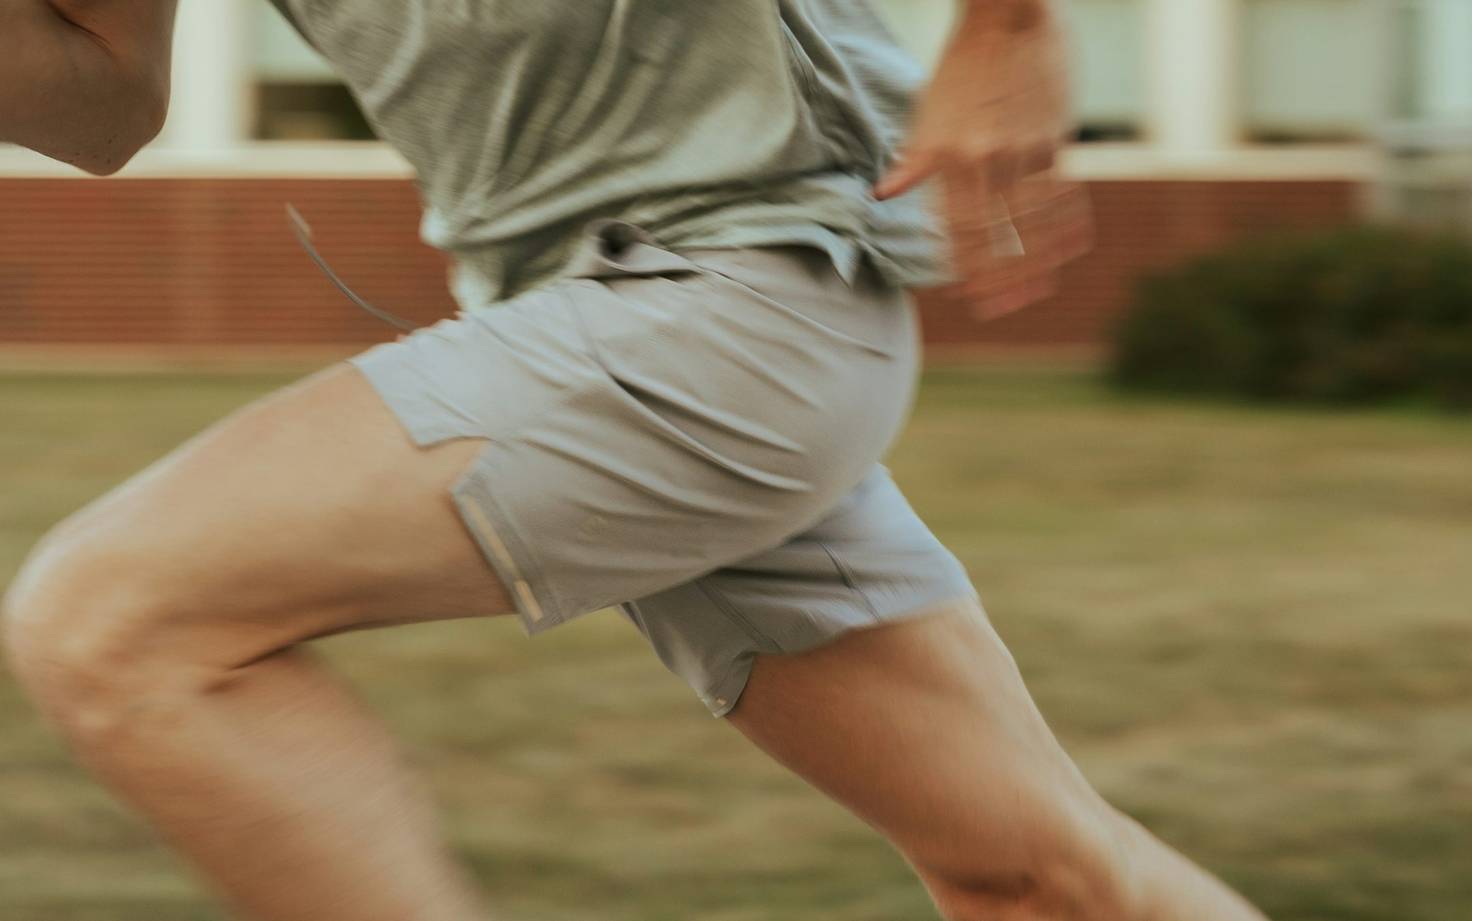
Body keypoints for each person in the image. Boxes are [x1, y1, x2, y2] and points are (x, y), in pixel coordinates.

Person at [0, 1, 1273, 919]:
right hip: (588, 314)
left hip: (738, 287)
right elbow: (105, 104)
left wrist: (1010, 24)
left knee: (113, 622)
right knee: (1039, 880)